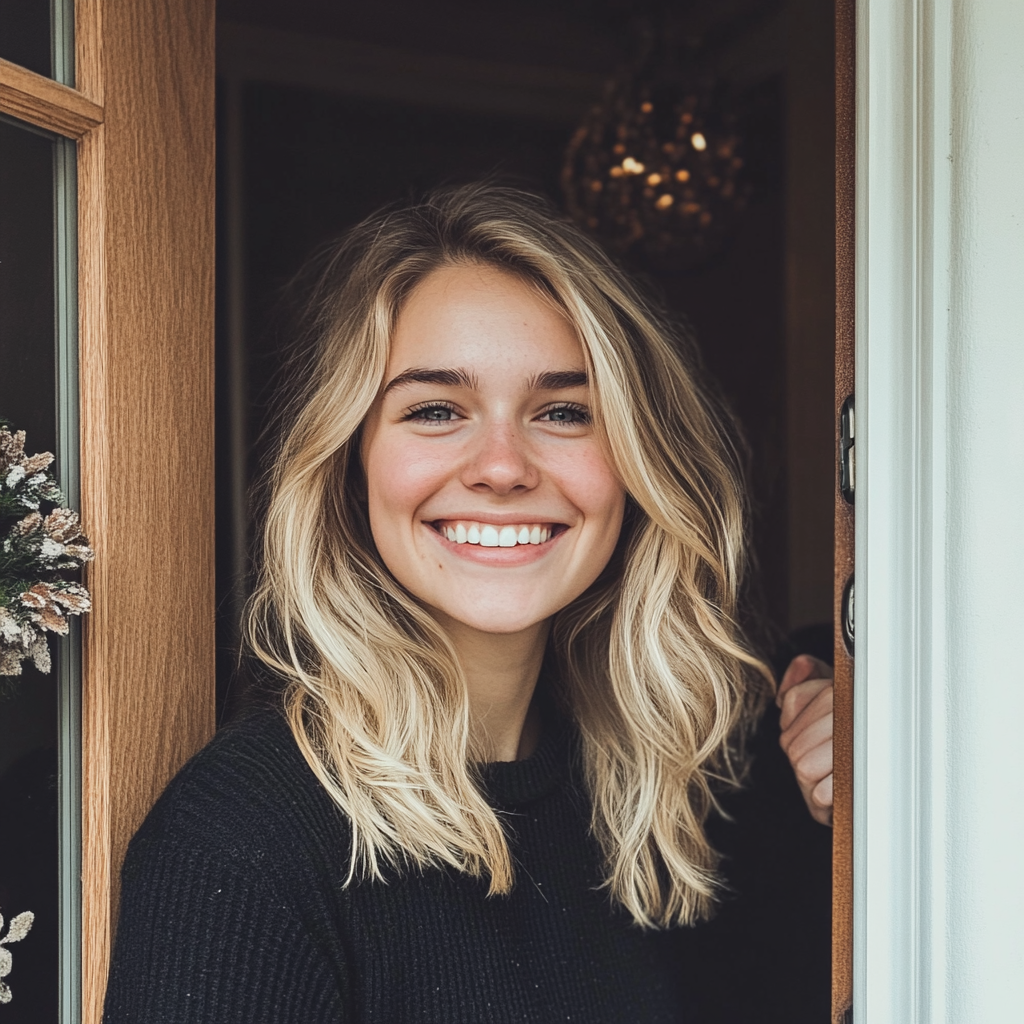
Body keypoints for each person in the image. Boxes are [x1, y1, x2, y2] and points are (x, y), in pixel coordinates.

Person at [103, 184, 833, 1023]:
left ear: (635, 463)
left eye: (563, 410)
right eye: (436, 409)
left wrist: (874, 793)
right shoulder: (242, 843)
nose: (501, 465)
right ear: (350, 462)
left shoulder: (683, 793)